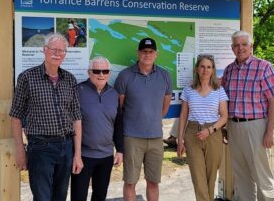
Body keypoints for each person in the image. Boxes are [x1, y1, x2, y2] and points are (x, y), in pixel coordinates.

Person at [9, 33, 83, 200]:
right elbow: (15, 116)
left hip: (66, 147)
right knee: (42, 197)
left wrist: (77, 154)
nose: (57, 54)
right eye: (53, 49)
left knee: (60, 196)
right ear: (44, 50)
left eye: (61, 51)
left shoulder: (70, 80)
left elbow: (77, 118)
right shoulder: (27, 78)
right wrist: (20, 150)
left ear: (65, 54)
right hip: (40, 148)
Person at [221, 30, 274, 201]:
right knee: (241, 176)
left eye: (244, 44)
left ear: (251, 46)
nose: (240, 48)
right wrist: (225, 127)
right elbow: (224, 101)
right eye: (236, 45)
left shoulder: (264, 67)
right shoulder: (229, 70)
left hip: (257, 127)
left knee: (262, 175)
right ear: (232, 48)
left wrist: (270, 132)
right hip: (234, 127)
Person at [114, 37, 173, 201]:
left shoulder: (165, 75)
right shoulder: (125, 76)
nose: (147, 54)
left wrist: (151, 119)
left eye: (151, 52)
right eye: (144, 51)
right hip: (132, 137)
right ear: (138, 53)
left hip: (155, 137)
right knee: (130, 182)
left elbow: (165, 107)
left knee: (153, 182)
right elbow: (120, 107)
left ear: (156, 54)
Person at [71, 56, 124, 201]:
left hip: (106, 156)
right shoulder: (77, 91)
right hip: (83, 156)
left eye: (105, 71)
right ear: (89, 72)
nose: (101, 74)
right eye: (96, 71)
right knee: (78, 196)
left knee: (100, 196)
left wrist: (119, 150)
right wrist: (75, 154)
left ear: (109, 73)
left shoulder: (114, 94)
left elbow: (118, 124)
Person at [177, 54, 228, 201]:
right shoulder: (188, 90)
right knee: (198, 179)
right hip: (192, 134)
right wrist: (180, 140)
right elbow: (183, 116)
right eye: (202, 66)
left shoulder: (219, 90)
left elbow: (224, 116)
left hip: (213, 133)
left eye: (209, 67)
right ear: (197, 69)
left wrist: (210, 130)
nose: (206, 70)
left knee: (210, 178)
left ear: (213, 70)